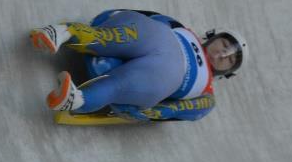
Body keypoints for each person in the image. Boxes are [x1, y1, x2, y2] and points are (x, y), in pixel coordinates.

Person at [29, 9, 247, 121]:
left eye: (229, 59)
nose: (222, 54)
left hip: (164, 76)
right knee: (113, 37)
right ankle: (62, 34)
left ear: (226, 72)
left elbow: (182, 110)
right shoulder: (184, 29)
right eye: (225, 44)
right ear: (214, 36)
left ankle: (77, 99)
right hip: (157, 38)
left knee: (121, 84)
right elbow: (155, 19)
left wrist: (150, 112)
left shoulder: (207, 92)